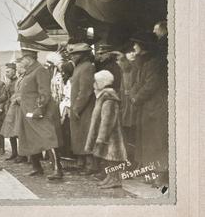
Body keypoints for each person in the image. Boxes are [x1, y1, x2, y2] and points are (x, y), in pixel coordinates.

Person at [16, 48, 63, 180]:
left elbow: (44, 92)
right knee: (30, 140)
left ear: (29, 59)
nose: (22, 62)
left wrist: (40, 109)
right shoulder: (29, 72)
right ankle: (36, 167)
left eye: (23, 59)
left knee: (48, 138)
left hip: (38, 112)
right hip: (27, 113)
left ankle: (57, 169)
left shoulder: (40, 70)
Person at [129, 32, 169, 186]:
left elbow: (150, 85)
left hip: (155, 109)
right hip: (147, 109)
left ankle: (161, 176)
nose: (133, 47)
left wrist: (136, 97)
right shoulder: (143, 62)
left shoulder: (154, 63)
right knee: (149, 143)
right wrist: (134, 95)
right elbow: (137, 84)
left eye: (136, 44)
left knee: (157, 143)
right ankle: (154, 174)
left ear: (143, 46)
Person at [84, 70, 128, 189]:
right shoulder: (103, 97)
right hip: (107, 135)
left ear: (101, 83)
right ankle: (111, 177)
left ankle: (116, 179)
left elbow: (107, 121)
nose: (93, 84)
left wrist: (102, 138)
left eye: (95, 81)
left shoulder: (108, 98)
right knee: (108, 157)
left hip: (111, 135)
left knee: (113, 157)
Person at [67, 41, 97, 175]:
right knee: (79, 136)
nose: (72, 56)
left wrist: (77, 107)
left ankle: (91, 165)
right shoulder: (79, 67)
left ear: (83, 55)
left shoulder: (87, 67)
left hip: (85, 109)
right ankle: (82, 162)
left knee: (86, 135)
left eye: (75, 54)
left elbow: (85, 91)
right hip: (78, 108)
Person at [1, 62, 19, 161]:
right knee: (11, 132)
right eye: (6, 71)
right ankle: (14, 153)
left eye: (8, 71)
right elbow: (5, 96)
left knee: (18, 132)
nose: (6, 73)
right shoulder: (8, 82)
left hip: (17, 109)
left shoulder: (17, 82)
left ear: (14, 71)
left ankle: (22, 154)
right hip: (10, 109)